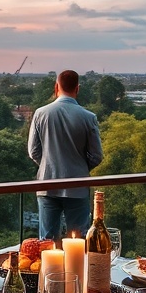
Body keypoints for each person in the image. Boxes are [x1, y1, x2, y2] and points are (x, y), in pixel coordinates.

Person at [27, 69, 104, 240]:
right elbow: (97, 155)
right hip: (78, 185)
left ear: (56, 87)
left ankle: (50, 269)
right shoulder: (88, 117)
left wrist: (50, 163)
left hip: (47, 183)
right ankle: (76, 268)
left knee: (47, 242)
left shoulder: (41, 113)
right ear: (78, 88)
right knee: (77, 242)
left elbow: (33, 151)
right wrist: (79, 166)